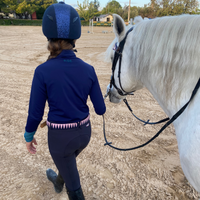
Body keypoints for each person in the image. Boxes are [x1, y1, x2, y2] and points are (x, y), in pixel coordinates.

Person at [24, 2, 106, 200]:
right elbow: (101, 109)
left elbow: (35, 113)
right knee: (67, 162)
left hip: (60, 139)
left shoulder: (42, 71)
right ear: (75, 36)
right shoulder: (89, 69)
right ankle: (59, 181)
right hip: (84, 134)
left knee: (74, 186)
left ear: (48, 34)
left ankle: (66, 183)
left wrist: (29, 137)